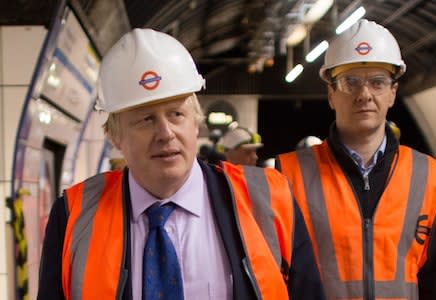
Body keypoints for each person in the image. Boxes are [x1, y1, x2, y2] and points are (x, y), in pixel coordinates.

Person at [37, 28, 324, 300]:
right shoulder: (73, 216)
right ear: (115, 136)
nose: (165, 133)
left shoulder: (270, 201)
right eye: (145, 119)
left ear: (195, 124)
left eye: (176, 114)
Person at [276, 19, 436, 299]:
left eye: (378, 82)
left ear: (392, 93)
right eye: (350, 82)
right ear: (331, 94)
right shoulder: (290, 174)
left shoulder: (424, 174)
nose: (364, 94)